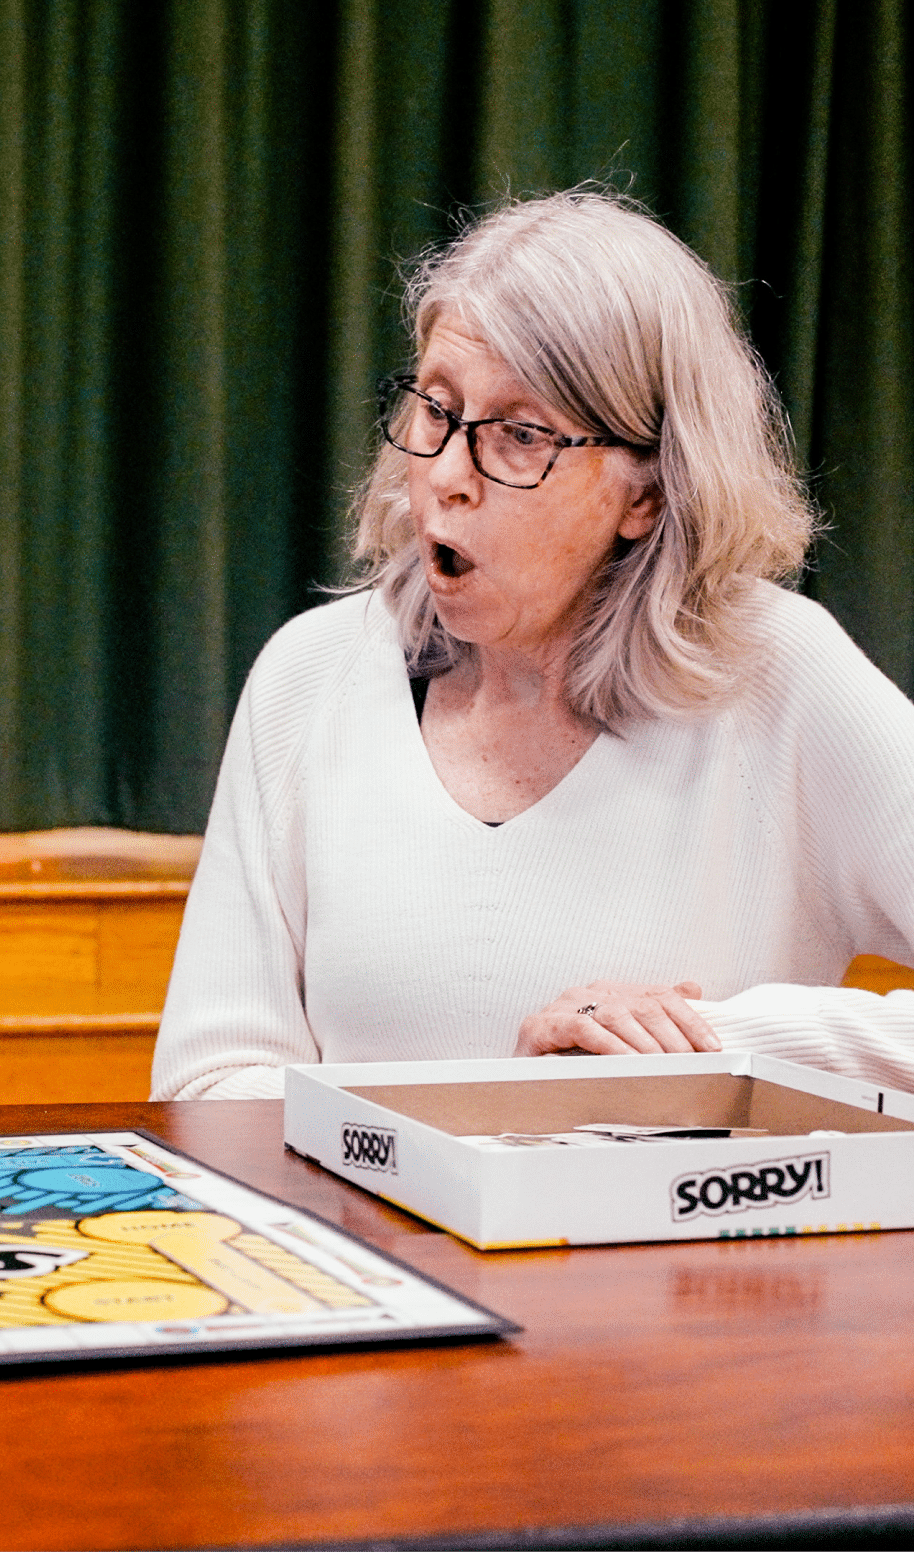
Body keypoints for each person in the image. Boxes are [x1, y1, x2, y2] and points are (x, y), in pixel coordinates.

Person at [152, 188, 914, 1101]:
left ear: (648, 493)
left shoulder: (777, 671)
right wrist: (484, 1127)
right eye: (436, 407)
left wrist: (713, 1046)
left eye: (520, 436)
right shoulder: (309, 676)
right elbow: (207, 1086)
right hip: (353, 1239)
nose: (442, 477)